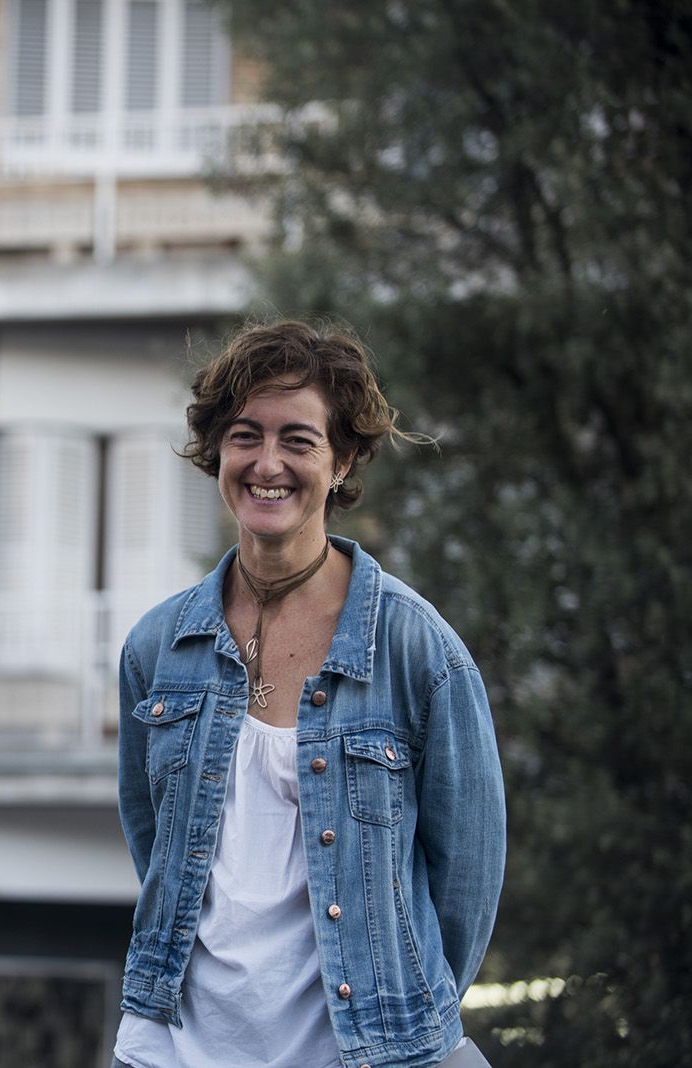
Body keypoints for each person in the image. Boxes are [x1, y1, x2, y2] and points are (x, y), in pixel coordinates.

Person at [113, 320, 505, 1068]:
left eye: (298, 439)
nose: (268, 463)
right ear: (217, 450)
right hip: (171, 1047)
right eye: (245, 435)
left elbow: (467, 884)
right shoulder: (156, 649)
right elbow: (155, 846)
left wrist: (395, 1007)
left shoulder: (420, 652)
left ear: (344, 458)